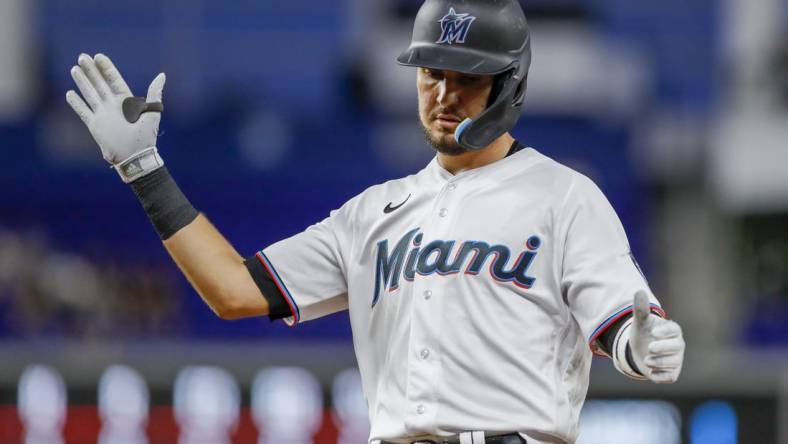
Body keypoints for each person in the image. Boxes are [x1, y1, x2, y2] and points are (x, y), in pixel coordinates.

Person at [65, 0, 685, 443]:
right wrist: (145, 169)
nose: (444, 94)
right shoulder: (371, 214)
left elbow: (623, 328)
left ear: (510, 83)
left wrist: (640, 346)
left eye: (466, 77)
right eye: (431, 72)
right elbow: (232, 291)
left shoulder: (564, 196)